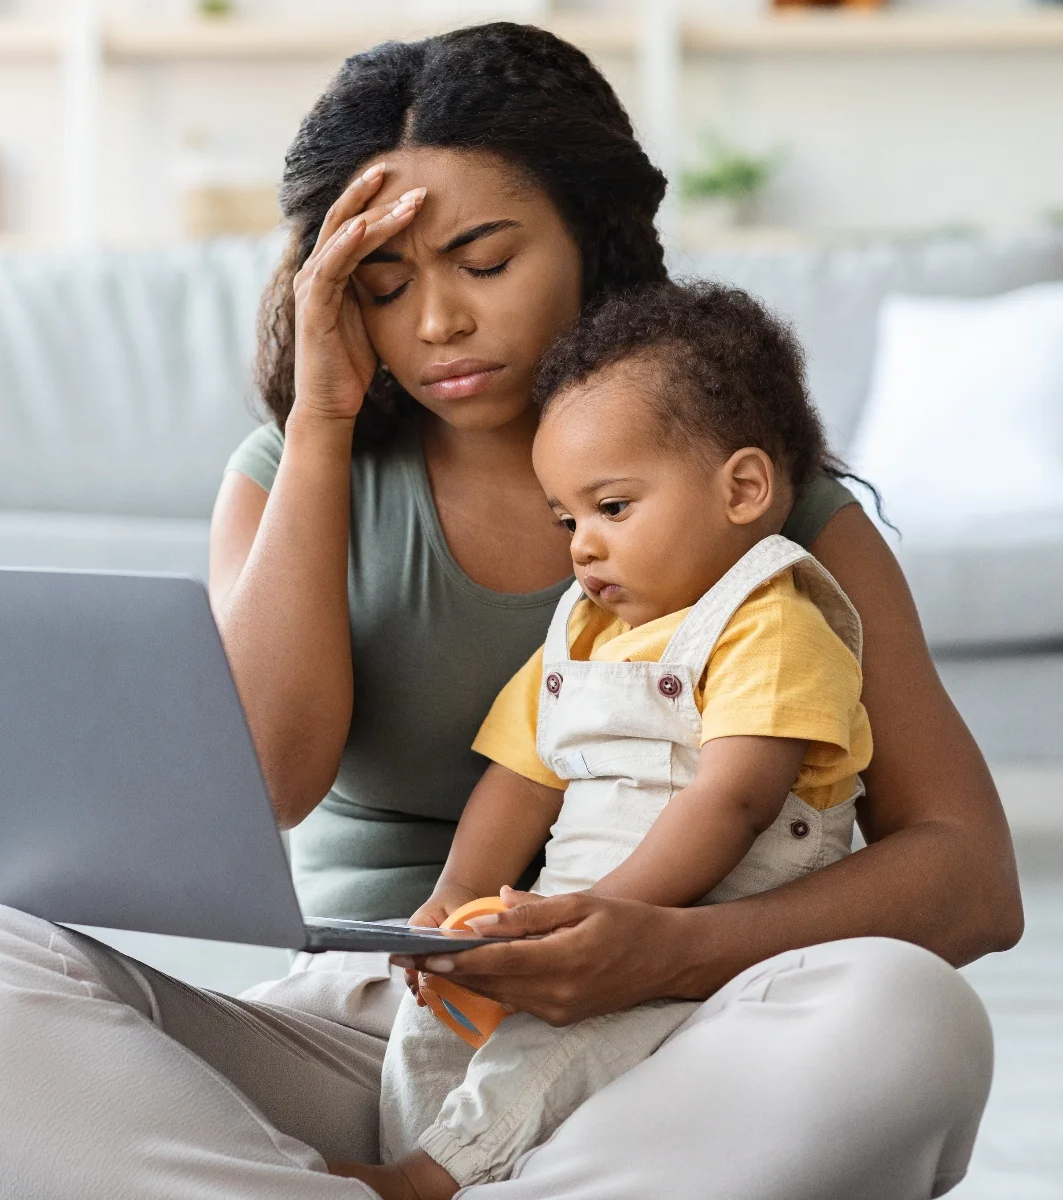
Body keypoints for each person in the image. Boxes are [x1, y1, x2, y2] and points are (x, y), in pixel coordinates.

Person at [0, 24, 1020, 1199]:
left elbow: (974, 882)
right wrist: (318, 423)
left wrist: (669, 948)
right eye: (382, 284)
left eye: (484, 261)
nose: (436, 325)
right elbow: (267, 778)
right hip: (377, 1024)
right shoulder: (287, 475)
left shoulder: (762, 503)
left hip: (690, 1037)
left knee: (910, 1016)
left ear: (591, 238)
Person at [359, 281, 875, 1197]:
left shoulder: (775, 623)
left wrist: (618, 926)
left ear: (744, 488)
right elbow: (522, 778)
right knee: (432, 1024)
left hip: (692, 949)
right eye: (567, 519)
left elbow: (737, 796)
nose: (581, 547)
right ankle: (431, 1158)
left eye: (613, 508)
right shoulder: (580, 635)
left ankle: (431, 1179)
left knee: (556, 1051)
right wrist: (454, 900)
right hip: (572, 922)